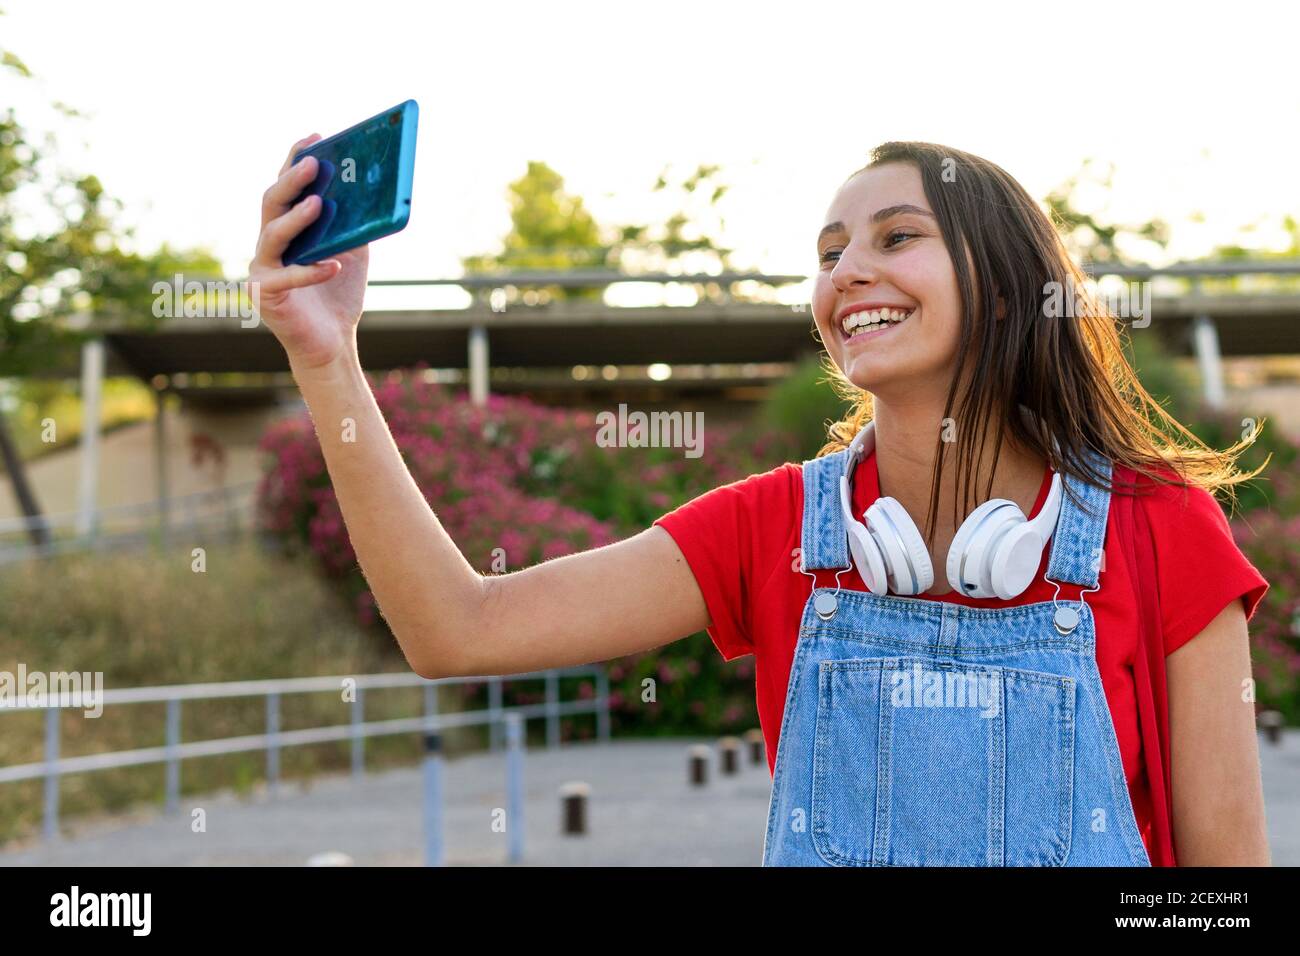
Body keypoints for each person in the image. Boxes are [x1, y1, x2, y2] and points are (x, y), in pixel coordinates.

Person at [248, 138, 1271, 866]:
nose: (846, 271)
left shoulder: (1161, 525)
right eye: (828, 254)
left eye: (895, 235)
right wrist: (325, 352)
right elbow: (456, 627)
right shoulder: (767, 528)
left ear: (1005, 289)